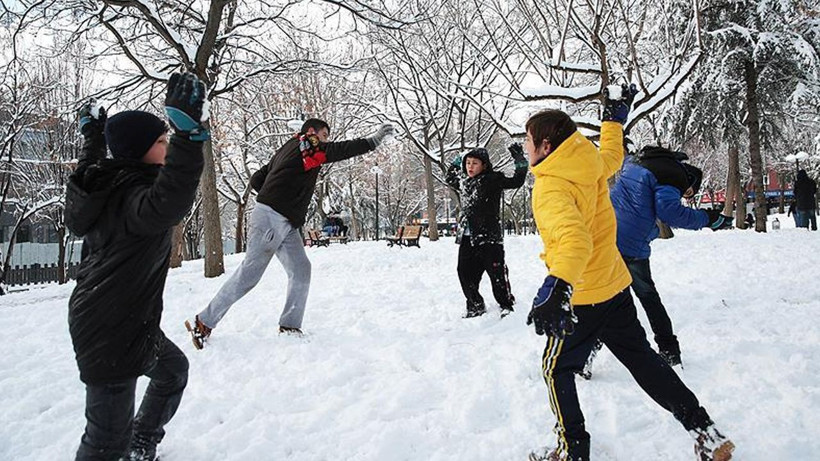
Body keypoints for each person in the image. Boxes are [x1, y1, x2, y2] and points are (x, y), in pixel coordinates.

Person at [523, 84, 734, 461]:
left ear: (546, 147)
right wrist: (613, 120)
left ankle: (573, 451)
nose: (525, 147)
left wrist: (558, 285)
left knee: (556, 370)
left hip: (583, 296)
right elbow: (612, 156)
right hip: (615, 286)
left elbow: (574, 241)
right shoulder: (587, 163)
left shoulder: (551, 187)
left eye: (529, 140)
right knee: (642, 359)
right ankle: (706, 431)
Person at [66, 72, 208, 461]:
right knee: (104, 442)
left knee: (172, 371)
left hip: (125, 321)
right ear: (140, 151)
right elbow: (170, 200)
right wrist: (189, 137)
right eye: (161, 142)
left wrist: (93, 136)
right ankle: (127, 447)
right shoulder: (134, 198)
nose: (165, 147)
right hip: (109, 330)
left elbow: (88, 165)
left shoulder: (105, 181)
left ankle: (141, 443)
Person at [186, 119, 395, 348]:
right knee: (249, 275)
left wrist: (279, 191)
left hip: (285, 220)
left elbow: (258, 177)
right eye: (324, 135)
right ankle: (204, 321)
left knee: (300, 269)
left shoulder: (290, 147)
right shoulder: (308, 144)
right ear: (312, 132)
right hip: (272, 218)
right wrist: (373, 141)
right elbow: (338, 150)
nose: (325, 141)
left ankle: (290, 326)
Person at [605, 146, 734, 369]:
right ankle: (669, 351)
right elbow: (670, 212)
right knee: (648, 297)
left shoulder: (636, 161)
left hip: (605, 234)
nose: (686, 196)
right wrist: (707, 218)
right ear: (689, 181)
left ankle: (584, 353)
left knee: (605, 299)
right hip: (631, 243)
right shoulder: (674, 176)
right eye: (689, 192)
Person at [445, 145, 527, 317]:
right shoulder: (464, 182)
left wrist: (519, 159)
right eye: (467, 163)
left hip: (489, 237)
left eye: (475, 163)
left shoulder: (492, 179)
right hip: (468, 237)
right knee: (464, 273)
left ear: (484, 165)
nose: (470, 166)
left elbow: (517, 181)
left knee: (496, 274)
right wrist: (457, 160)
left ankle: (506, 304)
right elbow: (450, 177)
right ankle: (475, 305)